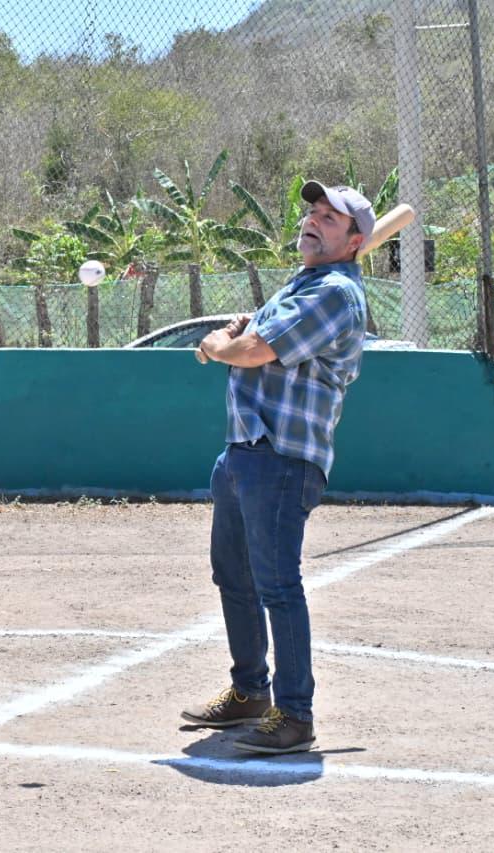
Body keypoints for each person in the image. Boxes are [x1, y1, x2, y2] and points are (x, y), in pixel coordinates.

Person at [181, 181, 375, 754]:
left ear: (355, 241)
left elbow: (253, 352)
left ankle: (294, 714)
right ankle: (250, 692)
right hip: (244, 449)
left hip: (284, 455)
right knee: (233, 577)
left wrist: (223, 344)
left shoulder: (335, 293)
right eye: (312, 213)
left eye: (329, 219)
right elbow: (243, 344)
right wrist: (229, 342)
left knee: (277, 586)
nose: (313, 222)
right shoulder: (304, 284)